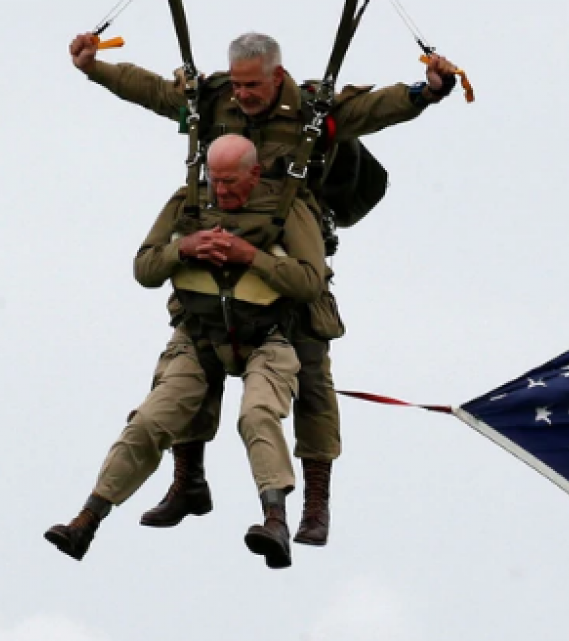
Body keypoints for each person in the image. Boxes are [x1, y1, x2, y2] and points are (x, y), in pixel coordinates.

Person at [66, 30, 460, 545]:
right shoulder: (214, 101)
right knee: (194, 350)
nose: (242, 94)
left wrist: (425, 91)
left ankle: (315, 504)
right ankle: (188, 483)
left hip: (290, 250)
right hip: (218, 251)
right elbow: (157, 93)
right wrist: (94, 68)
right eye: (237, 83)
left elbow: (376, 109)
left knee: (313, 379)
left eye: (252, 85)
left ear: (277, 76)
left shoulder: (313, 112)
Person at [45, 135, 328, 569]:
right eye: (215, 181)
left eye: (231, 182)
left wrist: (250, 256)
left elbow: (310, 282)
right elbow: (145, 268)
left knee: (256, 415)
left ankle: (276, 521)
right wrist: (185, 248)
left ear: (254, 174)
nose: (222, 192)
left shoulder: (287, 208)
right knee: (149, 421)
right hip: (199, 337)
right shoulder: (186, 203)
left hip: (269, 338)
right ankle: (86, 520)